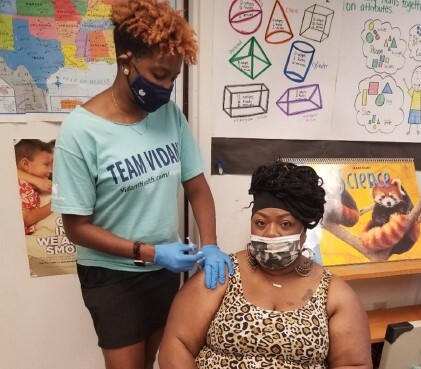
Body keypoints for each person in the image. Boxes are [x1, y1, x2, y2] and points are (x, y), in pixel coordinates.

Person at [51, 1, 233, 368]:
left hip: (163, 272)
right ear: (126, 60)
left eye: (173, 79)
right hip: (113, 275)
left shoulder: (169, 116)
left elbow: (197, 187)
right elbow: (76, 228)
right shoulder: (81, 131)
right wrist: (151, 252)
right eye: (158, 75)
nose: (166, 87)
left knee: (156, 361)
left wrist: (210, 245)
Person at [159, 161, 373, 369]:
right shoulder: (223, 274)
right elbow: (176, 345)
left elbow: (353, 363)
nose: (270, 232)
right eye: (261, 223)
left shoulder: (333, 294)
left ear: (303, 232)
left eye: (285, 224)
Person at [15, 139, 53, 235]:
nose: (50, 170)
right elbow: (27, 218)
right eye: (46, 164)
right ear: (26, 164)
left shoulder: (30, 185)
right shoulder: (22, 185)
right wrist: (54, 205)